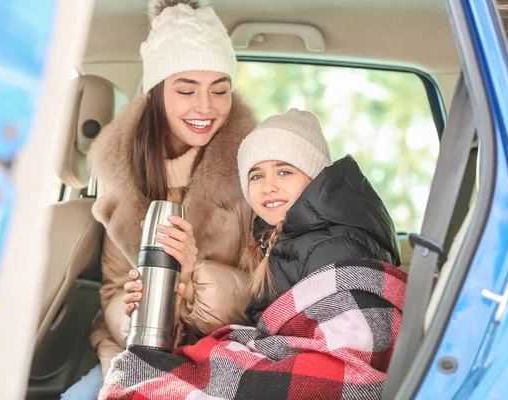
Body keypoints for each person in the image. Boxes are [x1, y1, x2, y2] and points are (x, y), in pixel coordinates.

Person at [109, 109, 406, 399]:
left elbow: (344, 350)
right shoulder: (280, 239)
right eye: (256, 176)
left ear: (314, 176)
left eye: (284, 171)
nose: (269, 187)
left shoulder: (332, 243)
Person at [60, 0, 257, 398]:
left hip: (225, 354)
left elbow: (265, 294)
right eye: (186, 89)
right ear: (155, 93)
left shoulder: (252, 175)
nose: (206, 107)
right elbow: (113, 290)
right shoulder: (124, 180)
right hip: (134, 353)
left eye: (220, 90)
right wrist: (133, 310)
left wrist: (194, 271)